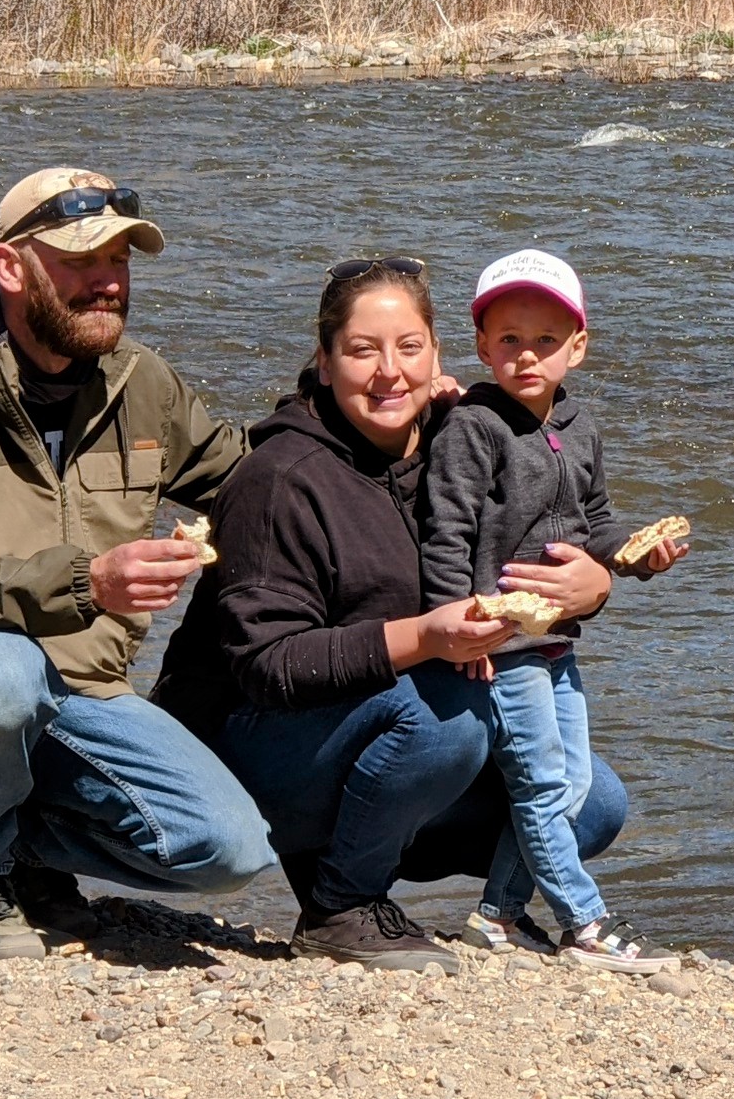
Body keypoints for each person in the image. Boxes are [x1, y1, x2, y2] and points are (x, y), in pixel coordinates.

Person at [0, 168, 275, 960]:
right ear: (10, 267)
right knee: (1, 669)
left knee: (228, 849)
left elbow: (257, 483)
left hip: (80, 696)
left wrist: (377, 409)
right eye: (80, 261)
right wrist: (89, 582)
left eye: (120, 260)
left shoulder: (142, 382)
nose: (108, 282)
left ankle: (19, 852)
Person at [152, 256, 631, 974]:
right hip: (243, 748)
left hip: (370, 728)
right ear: (324, 361)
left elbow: (546, 534)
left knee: (592, 802)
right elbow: (268, 667)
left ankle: (476, 908)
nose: (389, 372)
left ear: (439, 355)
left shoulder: (459, 439)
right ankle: (340, 906)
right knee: (448, 713)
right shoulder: (279, 479)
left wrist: (595, 584)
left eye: (409, 347)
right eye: (362, 350)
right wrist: (428, 637)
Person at [421, 249, 689, 974]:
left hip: (556, 639)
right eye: (509, 339)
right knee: (541, 783)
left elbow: (592, 522)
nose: (527, 355)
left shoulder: (578, 423)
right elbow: (446, 533)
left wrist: (633, 556)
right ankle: (585, 923)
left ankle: (497, 916)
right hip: (501, 640)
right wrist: (457, 627)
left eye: (546, 340)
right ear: (482, 347)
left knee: (571, 783)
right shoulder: (473, 427)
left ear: (578, 346)